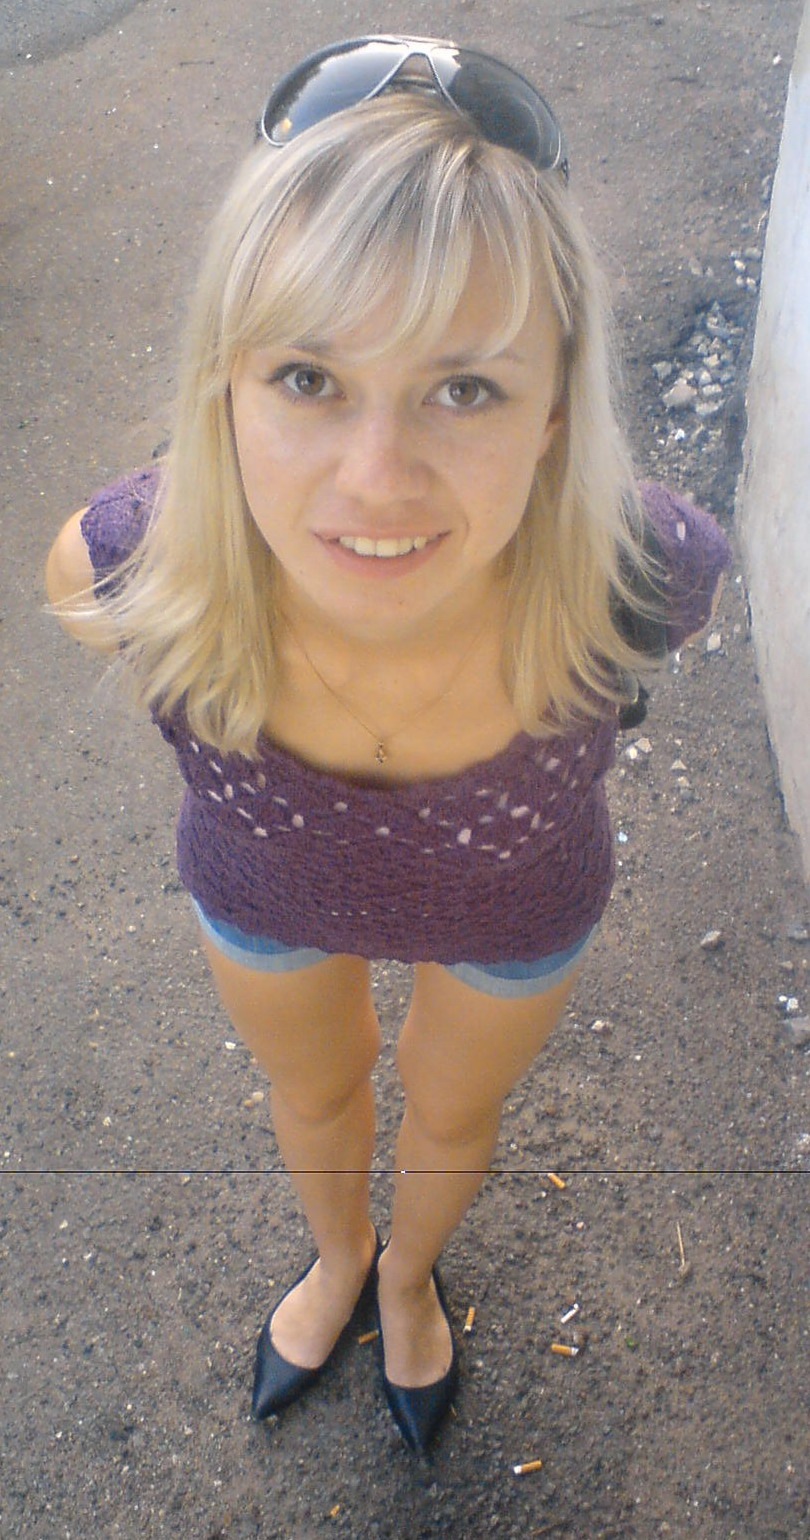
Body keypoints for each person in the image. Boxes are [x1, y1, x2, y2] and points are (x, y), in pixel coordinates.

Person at [45, 35, 731, 1454]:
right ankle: (339, 1257)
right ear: (221, 385)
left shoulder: (640, 572)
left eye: (464, 388)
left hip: (516, 914)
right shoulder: (128, 569)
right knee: (314, 1092)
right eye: (307, 377)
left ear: (556, 409)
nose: (376, 481)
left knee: (453, 1118)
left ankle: (410, 1277)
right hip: (263, 896)